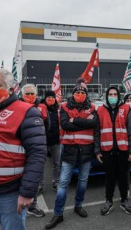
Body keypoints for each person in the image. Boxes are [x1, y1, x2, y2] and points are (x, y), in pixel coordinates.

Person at [0, 68, 46, 230]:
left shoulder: (27, 112)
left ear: (11, 89)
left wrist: (27, 193)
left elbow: (37, 154)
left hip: (9, 194)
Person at [45, 78, 98, 229]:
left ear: (86, 94)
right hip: (69, 150)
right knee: (63, 183)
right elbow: (65, 124)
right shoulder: (64, 106)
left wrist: (75, 120)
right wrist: (83, 122)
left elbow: (93, 123)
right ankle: (58, 213)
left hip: (86, 151)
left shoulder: (93, 107)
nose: (80, 94)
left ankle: (78, 205)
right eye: (77, 92)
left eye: (82, 92)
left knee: (83, 181)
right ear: (73, 94)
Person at [95, 86, 131, 215]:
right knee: (109, 177)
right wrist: (97, 151)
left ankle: (124, 201)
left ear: (119, 96)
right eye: (110, 94)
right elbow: (96, 133)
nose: (112, 97)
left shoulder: (126, 109)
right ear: (106, 96)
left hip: (123, 150)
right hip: (107, 151)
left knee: (123, 177)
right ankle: (108, 201)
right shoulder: (100, 110)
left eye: (115, 94)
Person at [21, 83, 50, 217]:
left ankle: (32, 205)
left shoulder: (41, 107)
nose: (30, 96)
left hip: (36, 148)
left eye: (32, 93)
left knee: (34, 177)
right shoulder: (16, 108)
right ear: (22, 95)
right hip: (20, 149)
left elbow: (47, 125)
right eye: (27, 94)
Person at [42, 90, 61, 191]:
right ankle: (40, 184)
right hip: (42, 141)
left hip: (56, 141)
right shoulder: (40, 108)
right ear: (45, 98)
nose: (51, 99)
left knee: (56, 163)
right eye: (48, 97)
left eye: (52, 97)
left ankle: (56, 182)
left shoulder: (59, 109)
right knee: (41, 164)